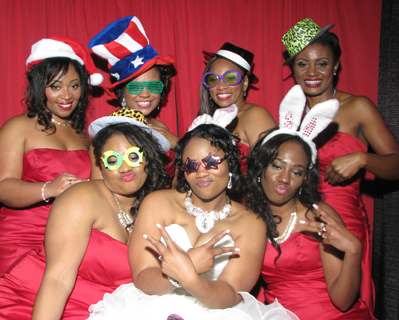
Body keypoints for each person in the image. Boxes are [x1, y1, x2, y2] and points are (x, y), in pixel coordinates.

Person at [87, 109, 298, 320]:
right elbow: (142, 277)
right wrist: (181, 273)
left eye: (211, 162)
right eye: (191, 165)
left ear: (230, 165)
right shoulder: (157, 203)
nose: (202, 172)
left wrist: (191, 279)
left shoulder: (251, 223)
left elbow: (231, 294)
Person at [0, 110, 170, 319]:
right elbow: (57, 280)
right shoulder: (82, 198)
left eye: (133, 156)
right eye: (112, 160)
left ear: (148, 159)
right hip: (33, 309)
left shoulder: (157, 206)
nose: (124, 167)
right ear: (100, 165)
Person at [281, 17, 399, 312]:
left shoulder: (357, 107)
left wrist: (363, 158)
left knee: (341, 306)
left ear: (336, 66)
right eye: (302, 64)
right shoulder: (289, 114)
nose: (312, 72)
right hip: (298, 225)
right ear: (293, 69)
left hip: (342, 223)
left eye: (322, 63)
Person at [0, 36, 104, 296]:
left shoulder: (86, 136)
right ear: (40, 87)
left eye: (74, 85)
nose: (67, 95)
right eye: (56, 86)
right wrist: (49, 188)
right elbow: (0, 187)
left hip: (69, 239)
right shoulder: (18, 127)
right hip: (19, 238)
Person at [246, 85, 374, 319]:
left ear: (305, 179)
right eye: (277, 166)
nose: (284, 178)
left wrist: (354, 250)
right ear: (261, 166)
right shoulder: (245, 216)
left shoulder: (318, 215)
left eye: (296, 172)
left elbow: (343, 302)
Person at [88, 16, 177, 180]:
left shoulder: (160, 127)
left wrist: (178, 144)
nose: (145, 94)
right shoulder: (107, 129)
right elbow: (97, 188)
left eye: (154, 86)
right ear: (122, 92)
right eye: (135, 87)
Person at [199, 42, 277, 173]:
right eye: (213, 79)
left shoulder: (255, 115)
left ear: (245, 82)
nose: (221, 86)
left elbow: (272, 171)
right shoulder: (208, 120)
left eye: (230, 78)